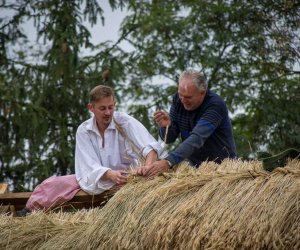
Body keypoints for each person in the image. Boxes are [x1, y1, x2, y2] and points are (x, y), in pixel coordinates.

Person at [17, 85, 166, 216]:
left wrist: (146, 168)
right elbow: (88, 165)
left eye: (111, 107)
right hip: (98, 178)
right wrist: (109, 174)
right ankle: (27, 212)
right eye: (102, 108)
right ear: (91, 108)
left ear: (114, 104)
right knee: (53, 184)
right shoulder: (84, 130)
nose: (108, 112)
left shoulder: (124, 121)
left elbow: (150, 146)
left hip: (129, 177)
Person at [139, 69, 237, 177]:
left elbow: (197, 138)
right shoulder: (177, 99)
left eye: (188, 97)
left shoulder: (215, 105)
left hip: (222, 167)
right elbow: (169, 139)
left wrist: (168, 161)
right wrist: (166, 127)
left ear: (202, 93)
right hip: (194, 167)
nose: (183, 100)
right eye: (181, 95)